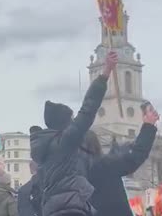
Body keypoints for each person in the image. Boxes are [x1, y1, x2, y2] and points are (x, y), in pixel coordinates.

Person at [30, 51, 118, 216]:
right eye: (71, 119)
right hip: (71, 208)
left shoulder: (43, 150)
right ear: (65, 123)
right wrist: (105, 73)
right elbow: (88, 108)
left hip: (52, 209)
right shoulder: (65, 142)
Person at [86, 101, 159, 216]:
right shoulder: (103, 166)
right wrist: (149, 127)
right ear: (95, 145)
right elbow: (134, 156)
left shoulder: (69, 173)